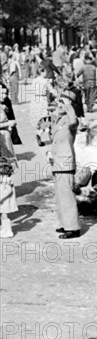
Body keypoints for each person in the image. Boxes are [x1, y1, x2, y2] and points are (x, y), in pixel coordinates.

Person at [46, 90, 80, 239]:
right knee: (60, 196)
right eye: (59, 102)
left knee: (67, 196)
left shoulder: (71, 120)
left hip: (65, 162)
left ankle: (73, 228)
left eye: (62, 102)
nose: (59, 105)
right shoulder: (59, 120)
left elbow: (73, 122)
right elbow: (53, 138)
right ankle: (64, 224)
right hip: (57, 162)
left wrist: (68, 106)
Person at [0, 89, 18, 238]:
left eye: (6, 93)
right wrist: (7, 124)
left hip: (4, 153)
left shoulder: (3, 107)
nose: (4, 96)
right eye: (1, 93)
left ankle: (6, 227)